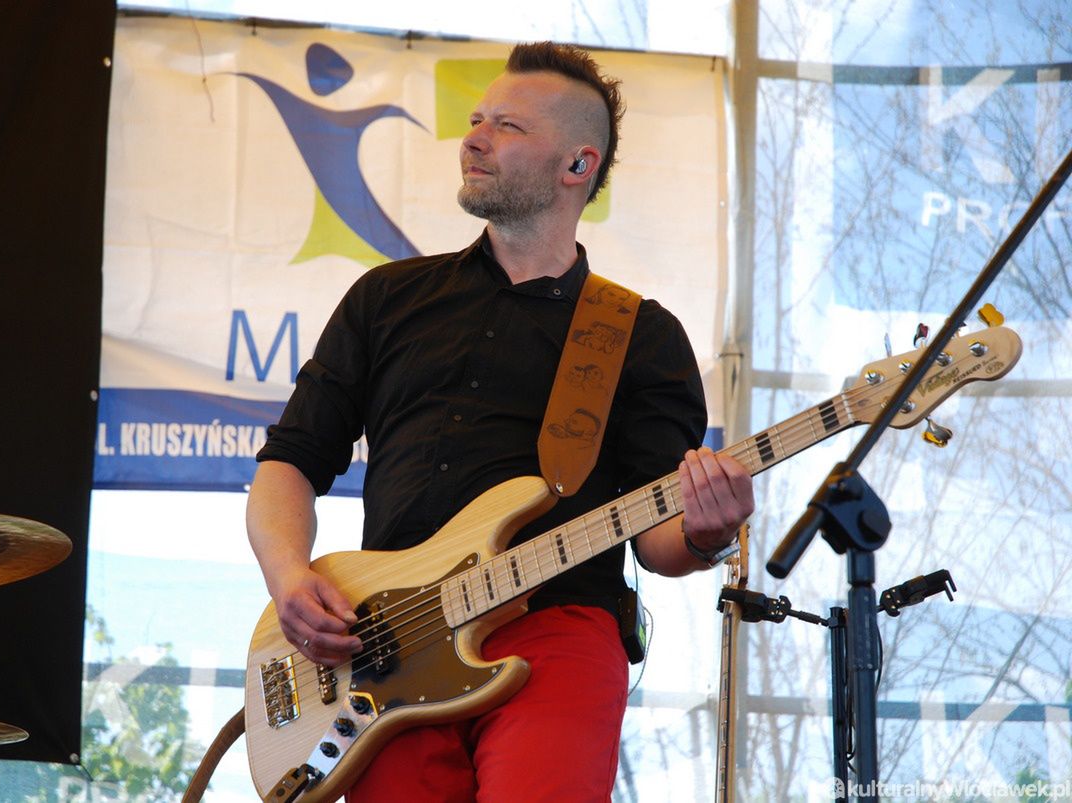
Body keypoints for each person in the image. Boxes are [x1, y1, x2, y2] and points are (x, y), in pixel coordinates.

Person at [247, 41, 754, 802]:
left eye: (507, 126)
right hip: (388, 645)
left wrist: (707, 533)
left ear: (578, 164)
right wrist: (288, 576)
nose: (474, 139)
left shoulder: (640, 335)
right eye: (476, 119)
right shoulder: (386, 298)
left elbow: (657, 540)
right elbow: (290, 460)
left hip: (557, 626)